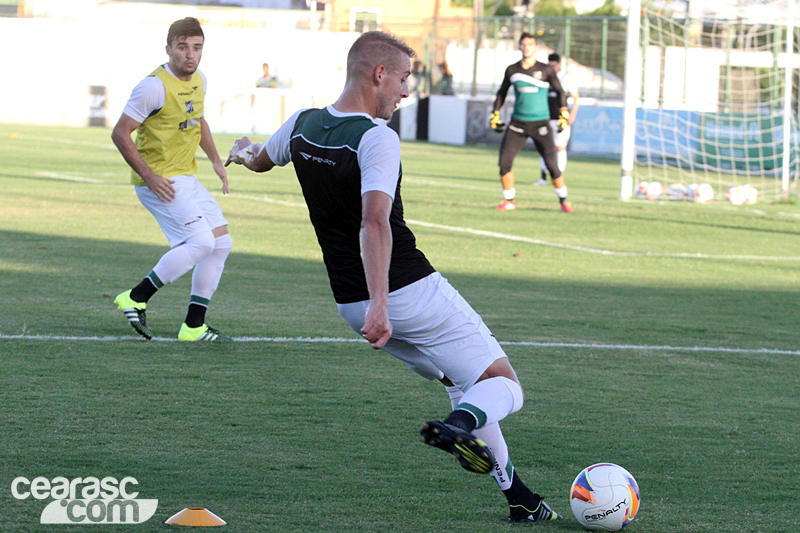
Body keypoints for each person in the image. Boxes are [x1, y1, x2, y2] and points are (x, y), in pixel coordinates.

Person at [225, 31, 561, 523]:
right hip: (402, 291)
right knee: (504, 387)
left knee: (457, 380)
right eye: (403, 79)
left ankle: (520, 499)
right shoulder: (376, 137)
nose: (406, 92)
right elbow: (375, 220)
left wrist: (241, 149)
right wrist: (383, 303)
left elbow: (260, 159)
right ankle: (460, 426)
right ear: (378, 74)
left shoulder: (301, 124)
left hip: (349, 304)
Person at [110, 17, 232, 342]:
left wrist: (217, 162)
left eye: (197, 47)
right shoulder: (153, 86)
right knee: (201, 242)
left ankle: (193, 326)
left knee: (220, 244)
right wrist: (148, 176)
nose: (190, 55)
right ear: (169, 49)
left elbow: (198, 120)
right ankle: (135, 297)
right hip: (160, 180)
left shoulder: (199, 80)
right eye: (183, 47)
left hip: (187, 177)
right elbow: (120, 133)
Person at [490, 33, 573, 213]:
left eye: (530, 44)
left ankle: (563, 200)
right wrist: (494, 113)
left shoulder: (546, 70)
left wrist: (563, 112)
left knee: (552, 165)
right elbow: (501, 92)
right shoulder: (512, 70)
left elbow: (560, 92)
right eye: (524, 44)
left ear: (536, 47)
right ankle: (509, 200)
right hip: (517, 123)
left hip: (540, 124)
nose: (527, 47)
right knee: (504, 162)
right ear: (519, 46)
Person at [536, 53, 580, 186]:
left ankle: (558, 176)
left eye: (553, 65)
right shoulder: (544, 78)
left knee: (560, 148)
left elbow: (576, 98)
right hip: (545, 118)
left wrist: (572, 114)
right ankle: (543, 177)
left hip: (561, 119)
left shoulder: (566, 79)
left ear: (559, 65)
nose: (551, 67)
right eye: (549, 65)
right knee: (544, 147)